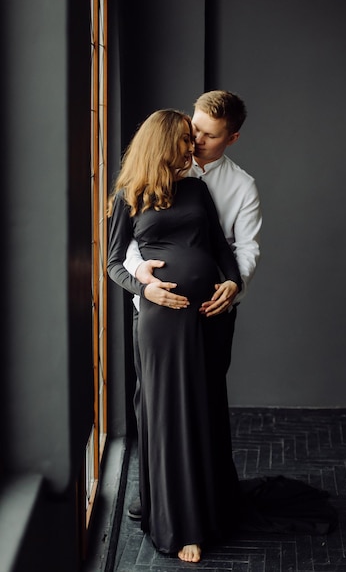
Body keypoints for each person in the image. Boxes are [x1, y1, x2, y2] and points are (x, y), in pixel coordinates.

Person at [107, 109, 243, 562]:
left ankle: (207, 514)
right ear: (162, 144)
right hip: (161, 321)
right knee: (166, 416)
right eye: (185, 141)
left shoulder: (196, 189)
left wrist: (232, 281)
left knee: (201, 410)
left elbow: (220, 248)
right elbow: (112, 265)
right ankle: (178, 524)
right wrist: (146, 287)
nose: (192, 149)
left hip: (204, 317)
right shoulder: (129, 195)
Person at [123, 90, 262, 520]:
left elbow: (244, 247)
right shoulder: (155, 169)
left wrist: (234, 285)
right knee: (151, 402)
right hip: (156, 310)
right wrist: (144, 277)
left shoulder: (240, 186)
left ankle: (208, 498)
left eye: (209, 134)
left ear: (231, 138)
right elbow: (129, 242)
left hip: (211, 312)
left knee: (205, 403)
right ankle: (158, 498)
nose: (197, 139)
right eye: (194, 128)